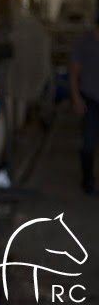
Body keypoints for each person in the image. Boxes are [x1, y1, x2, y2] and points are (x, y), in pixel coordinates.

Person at [69, 15, 99, 194]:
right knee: (89, 142)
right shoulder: (84, 44)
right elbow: (73, 72)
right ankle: (87, 180)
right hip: (91, 99)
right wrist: (76, 98)